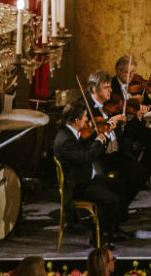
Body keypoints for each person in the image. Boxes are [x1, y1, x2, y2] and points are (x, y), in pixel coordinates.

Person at [53, 101, 132, 243]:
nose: (87, 121)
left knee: (119, 186)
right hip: (76, 186)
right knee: (111, 200)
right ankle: (98, 237)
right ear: (76, 120)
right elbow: (86, 157)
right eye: (84, 118)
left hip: (84, 178)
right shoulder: (65, 140)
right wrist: (99, 140)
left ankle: (113, 230)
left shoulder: (72, 133)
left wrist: (105, 134)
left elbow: (87, 150)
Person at [84, 71, 150, 202]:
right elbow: (87, 136)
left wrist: (137, 117)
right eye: (106, 87)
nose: (111, 90)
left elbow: (125, 134)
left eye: (110, 86)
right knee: (112, 182)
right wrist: (108, 124)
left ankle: (122, 205)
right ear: (94, 89)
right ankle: (116, 208)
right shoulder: (85, 108)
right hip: (98, 154)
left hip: (114, 152)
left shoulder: (109, 106)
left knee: (140, 174)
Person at [109, 56, 151, 175]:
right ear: (118, 71)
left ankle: (143, 174)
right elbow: (112, 107)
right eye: (127, 73)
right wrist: (129, 102)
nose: (130, 76)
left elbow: (147, 104)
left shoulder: (136, 85)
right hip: (119, 127)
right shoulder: (111, 86)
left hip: (135, 123)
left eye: (132, 72)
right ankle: (128, 174)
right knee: (126, 145)